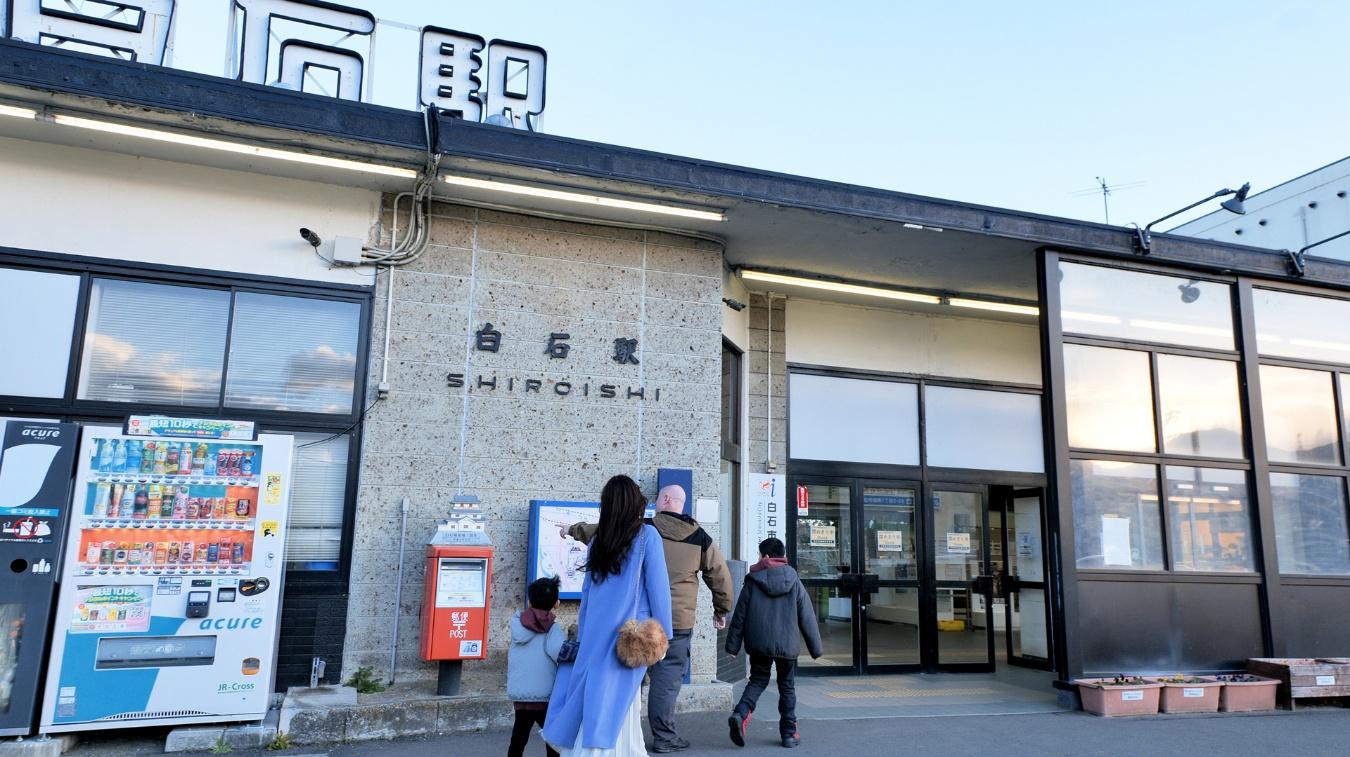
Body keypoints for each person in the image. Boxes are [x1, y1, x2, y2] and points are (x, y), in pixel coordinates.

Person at [563, 484, 733, 753]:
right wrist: (721, 609)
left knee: (626, 678)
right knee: (667, 680)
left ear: (664, 500)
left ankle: (618, 736)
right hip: (675, 620)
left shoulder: (641, 529)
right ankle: (663, 737)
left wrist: (572, 530)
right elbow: (720, 575)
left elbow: (599, 531)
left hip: (634, 621)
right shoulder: (700, 538)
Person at [544, 475, 673, 756]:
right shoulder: (647, 536)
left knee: (597, 702)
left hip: (595, 636)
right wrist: (664, 637)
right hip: (632, 638)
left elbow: (587, 596)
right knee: (623, 707)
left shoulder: (599, 541)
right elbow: (659, 590)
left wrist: (585, 635)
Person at [723, 537, 822, 750]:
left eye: (760, 554)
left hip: (759, 643)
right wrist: (816, 648)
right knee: (787, 686)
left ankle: (741, 713)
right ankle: (789, 734)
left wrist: (732, 646)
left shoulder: (753, 580)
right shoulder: (793, 579)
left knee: (757, 680)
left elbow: (740, 615)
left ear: (766, 556)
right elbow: (806, 614)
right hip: (787, 643)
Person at [507, 576, 567, 757]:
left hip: (521, 695)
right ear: (556, 603)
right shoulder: (552, 629)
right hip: (544, 696)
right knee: (551, 737)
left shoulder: (517, 624)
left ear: (530, 601)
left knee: (519, 736)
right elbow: (559, 653)